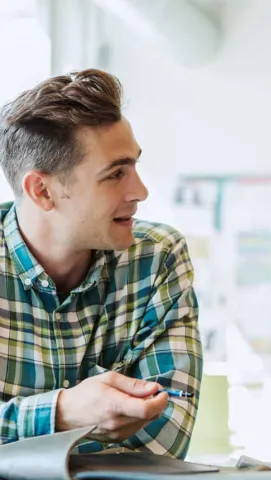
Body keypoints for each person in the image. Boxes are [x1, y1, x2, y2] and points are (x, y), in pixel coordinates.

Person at [0, 69, 203, 457]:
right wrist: (60, 413)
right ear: (42, 190)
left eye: (135, 167)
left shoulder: (157, 258)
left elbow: (164, 440)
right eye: (115, 174)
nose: (140, 192)